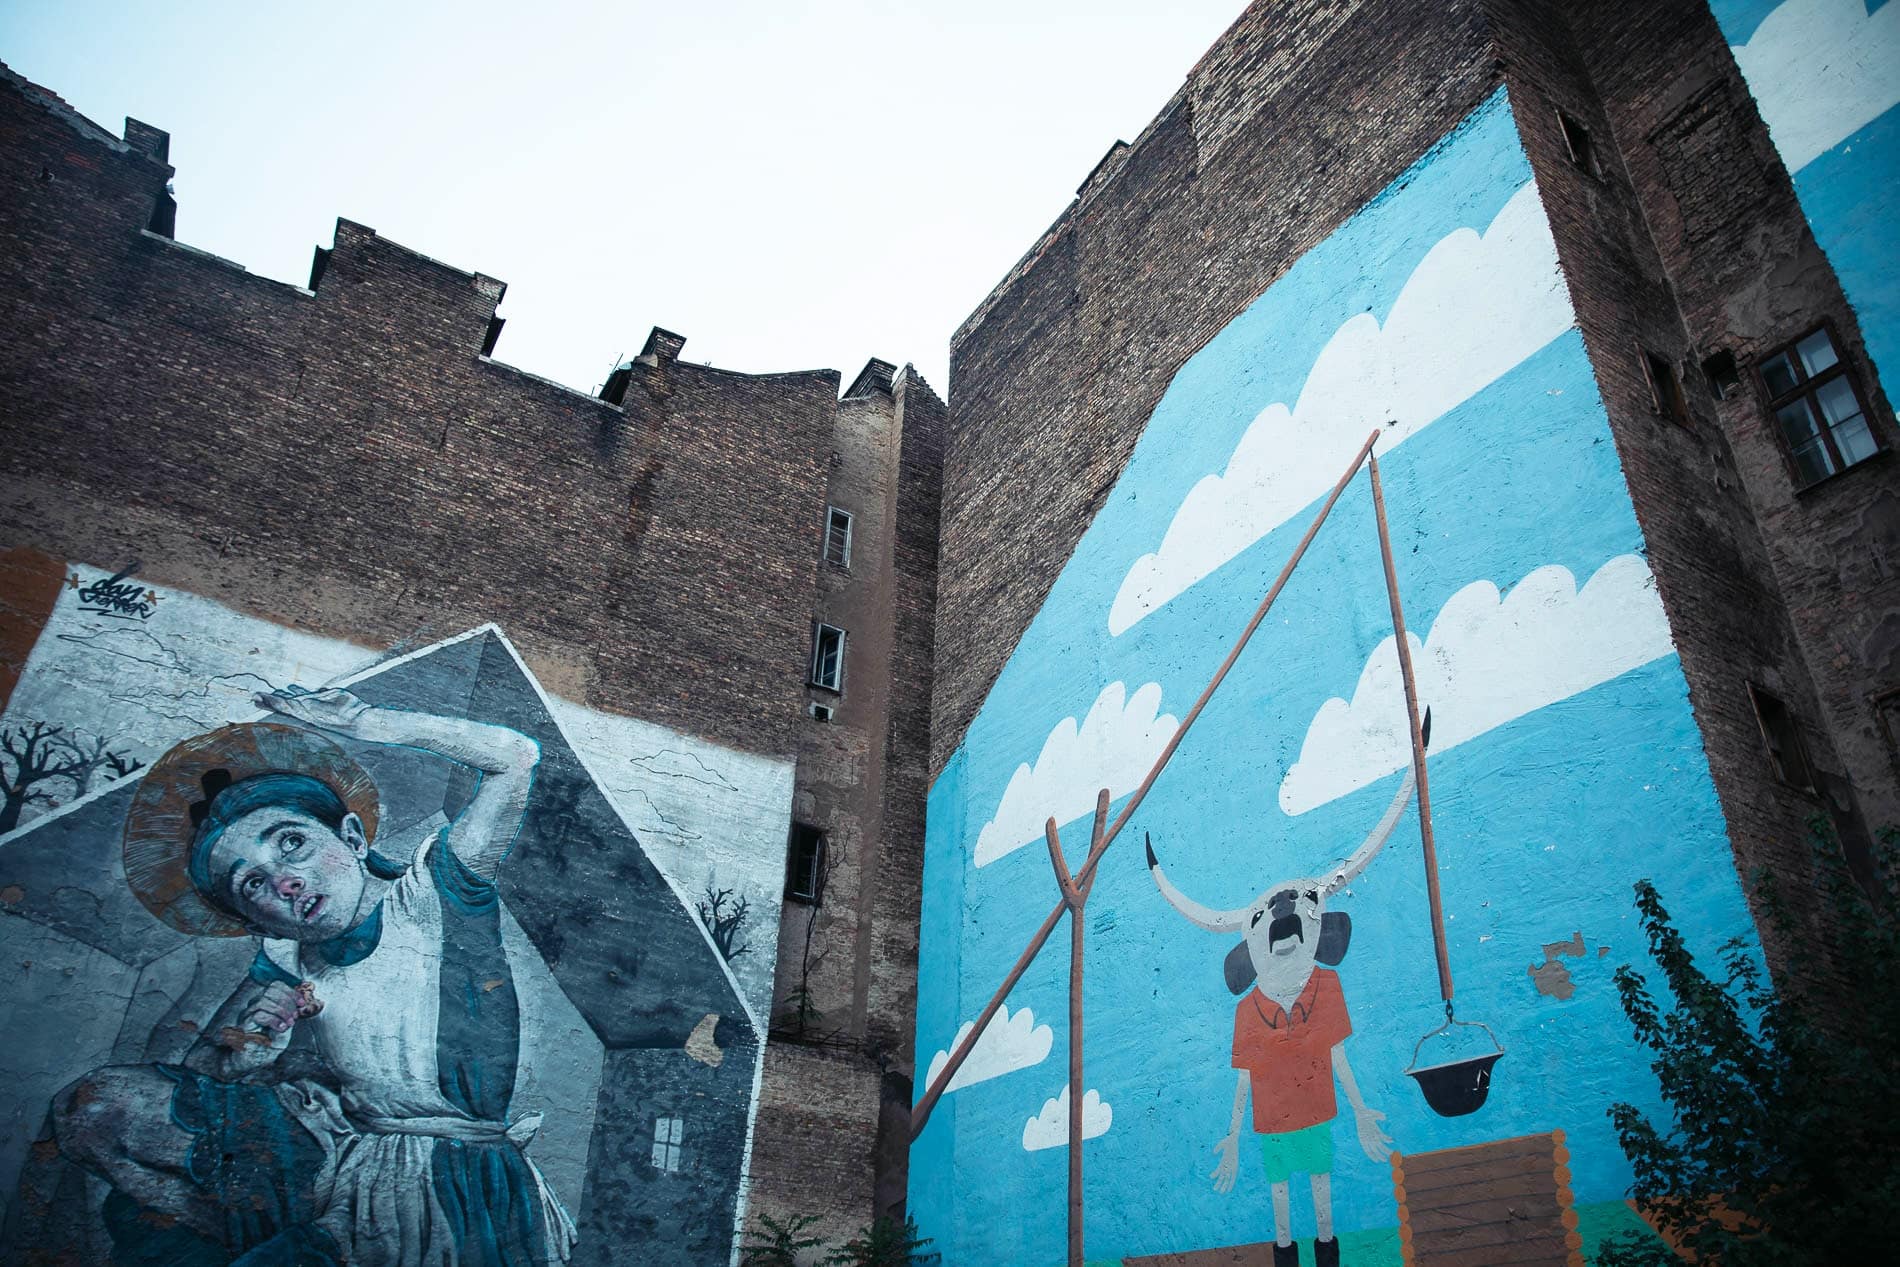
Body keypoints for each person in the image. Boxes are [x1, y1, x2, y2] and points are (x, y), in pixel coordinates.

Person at [51, 687, 577, 1267]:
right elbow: (206, 1069)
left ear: (352, 837)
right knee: (93, 1111)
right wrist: (250, 1049)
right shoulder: (286, 952)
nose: (285, 881)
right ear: (253, 919)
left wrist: (367, 720)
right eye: (253, 883)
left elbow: (515, 759)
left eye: (292, 844)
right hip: (335, 1148)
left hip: (443, 1178)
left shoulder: (435, 894)